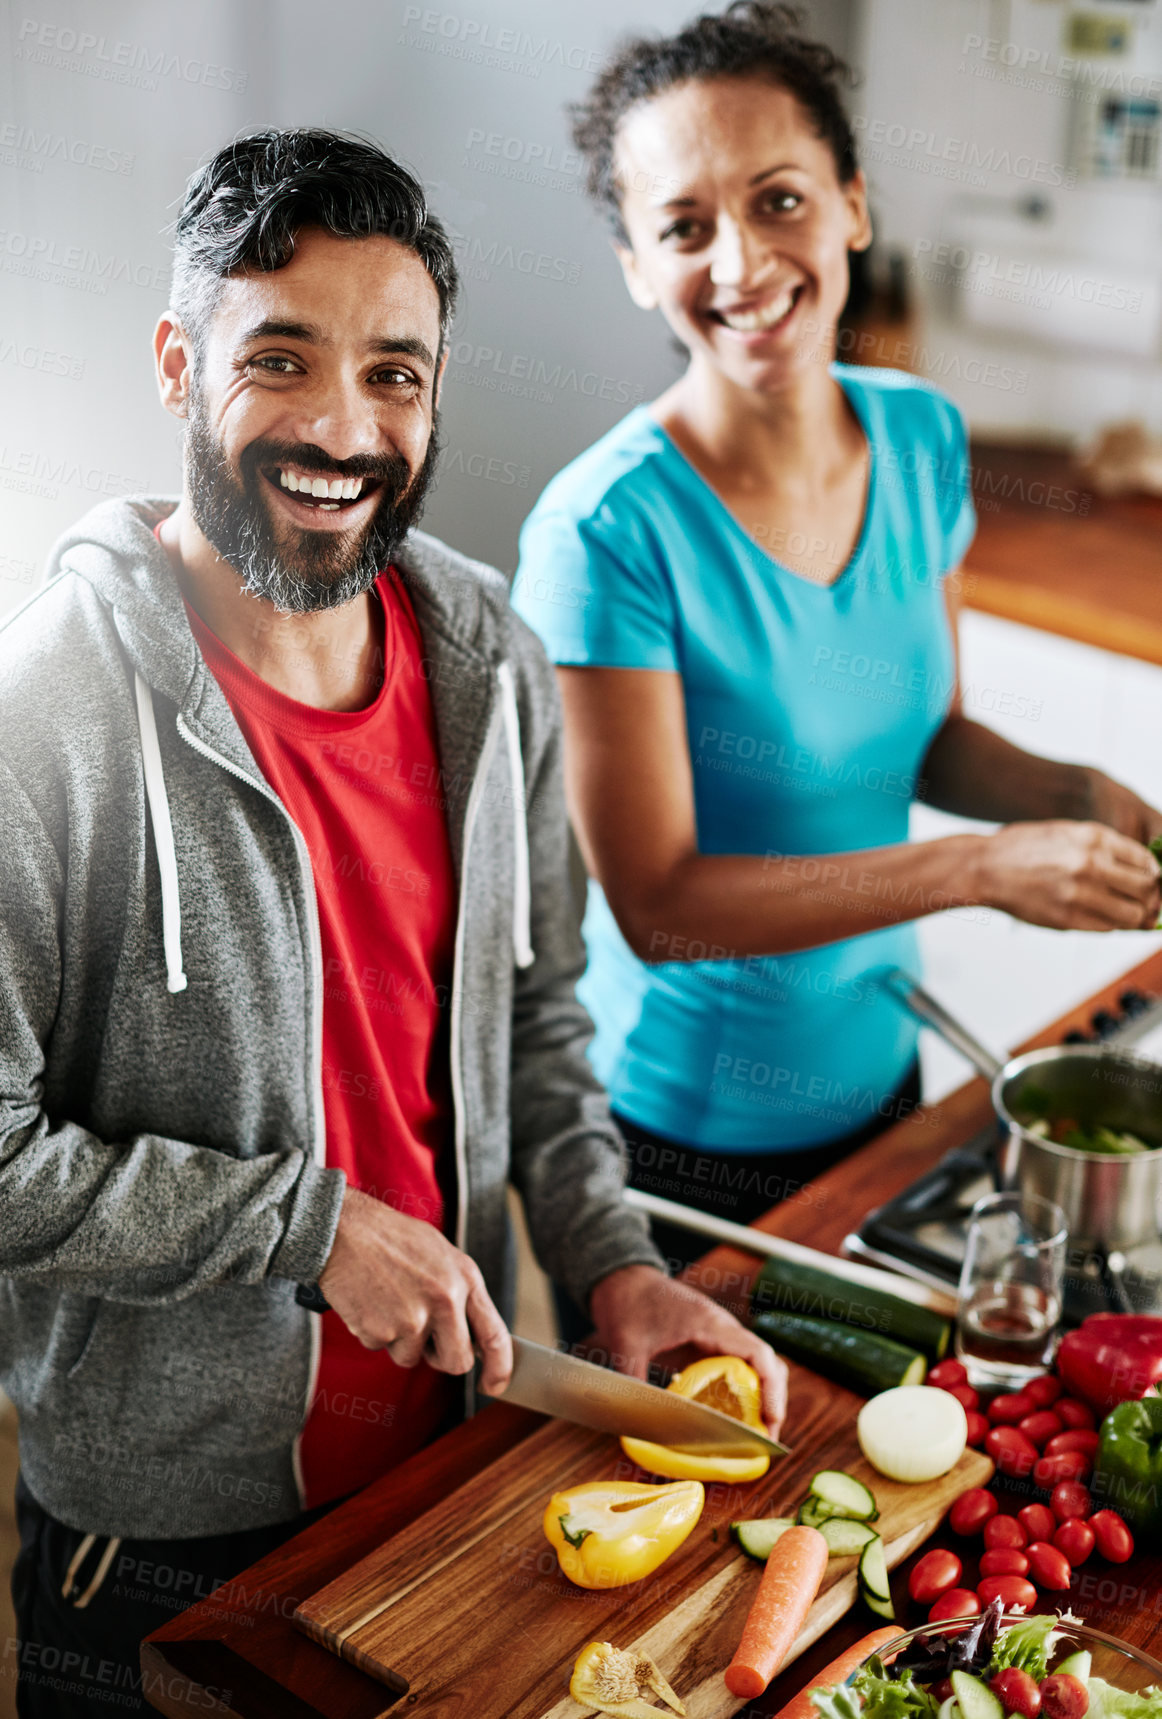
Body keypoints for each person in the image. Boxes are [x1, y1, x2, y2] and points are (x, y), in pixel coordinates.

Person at [0, 129, 787, 1718]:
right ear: (176, 361)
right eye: (278, 358)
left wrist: (610, 1261)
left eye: (395, 374)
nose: (341, 429)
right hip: (157, 1535)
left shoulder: (488, 653)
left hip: (453, 1443)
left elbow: (545, 1018)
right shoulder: (49, 711)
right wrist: (308, 1226)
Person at [512, 2, 1162, 1288]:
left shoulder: (918, 437)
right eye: (684, 227)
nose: (741, 263)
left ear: (854, 203)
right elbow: (660, 907)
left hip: (887, 1070)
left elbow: (924, 733)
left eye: (778, 200)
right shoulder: (605, 531)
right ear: (636, 264)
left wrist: (1061, 800)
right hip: (683, 1137)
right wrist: (981, 868)